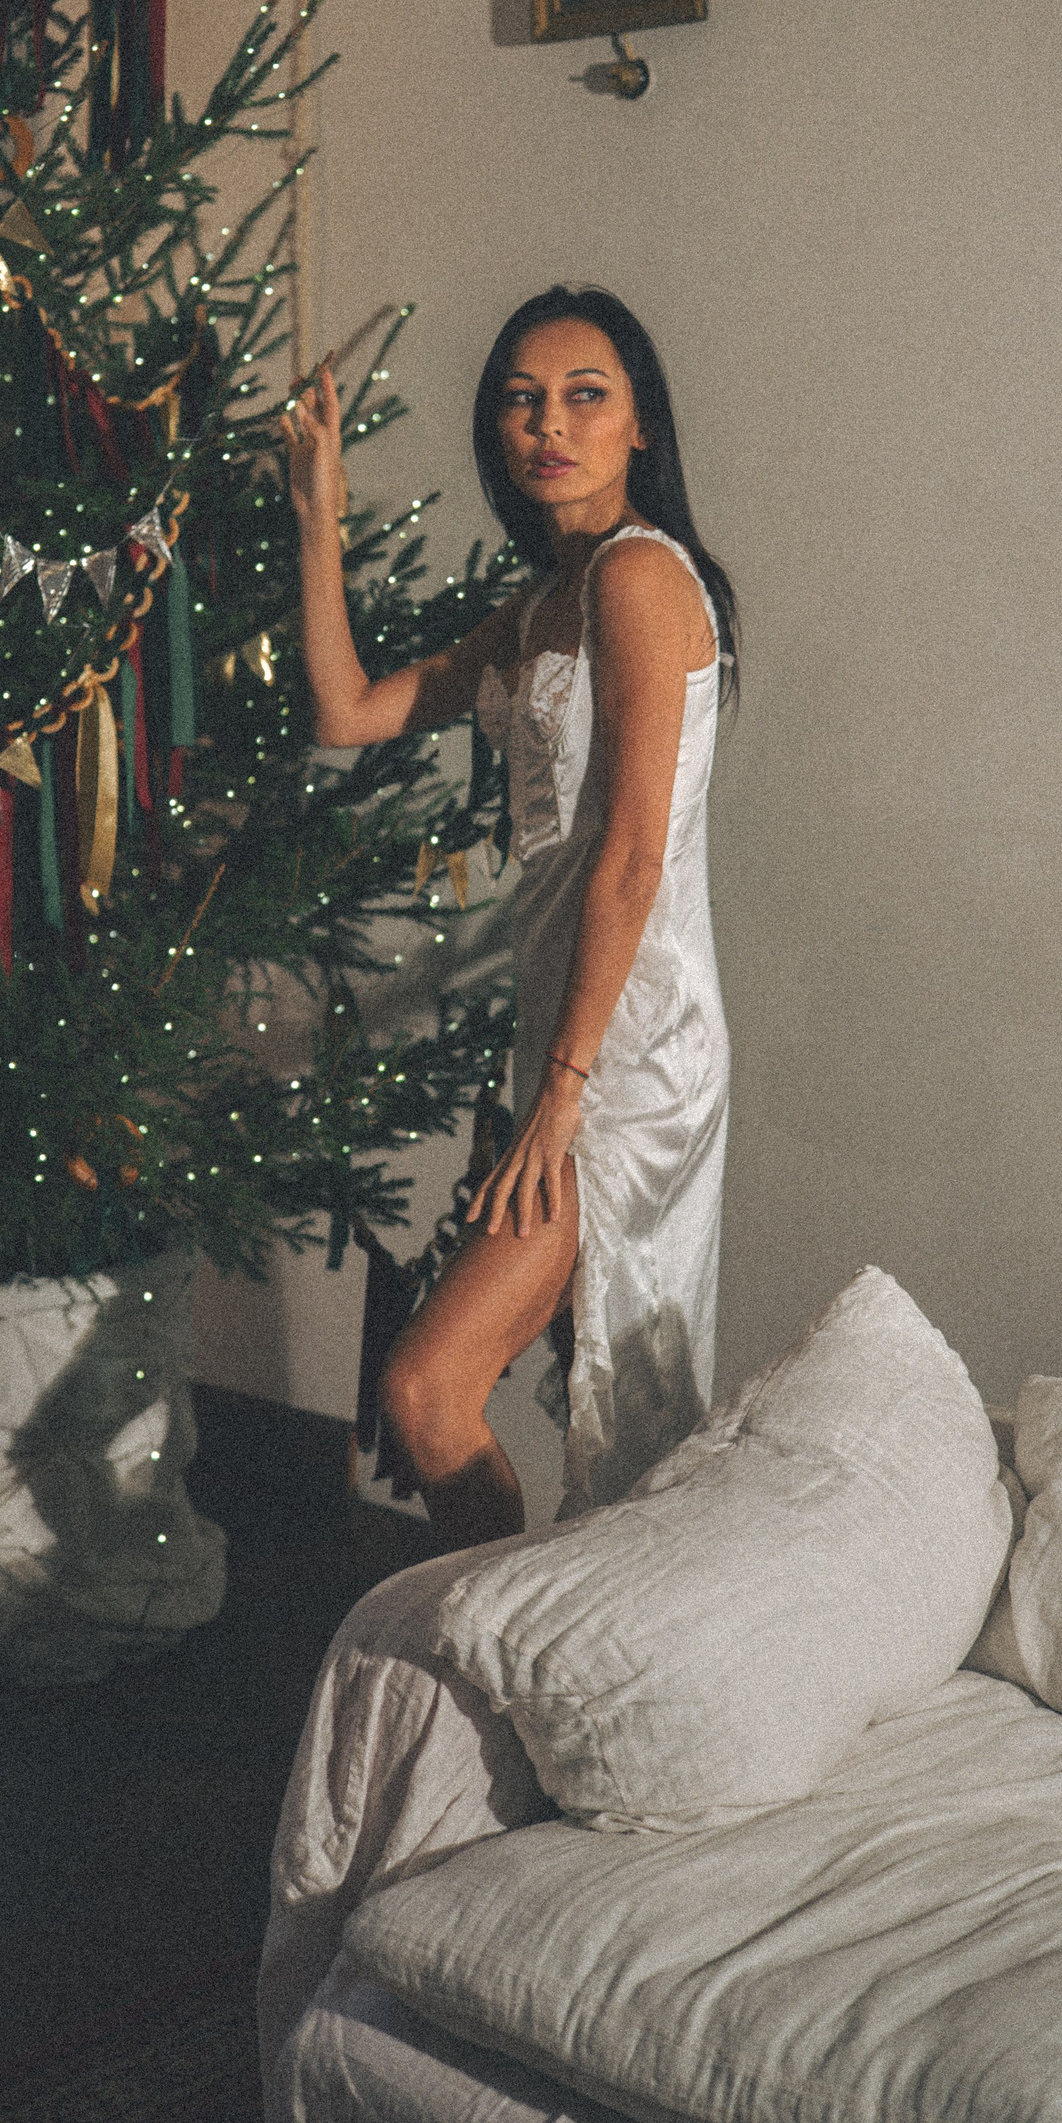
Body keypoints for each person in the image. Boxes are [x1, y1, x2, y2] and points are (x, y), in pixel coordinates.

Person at [283, 284, 736, 1549]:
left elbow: (633, 858)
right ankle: (519, 1632)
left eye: (586, 396)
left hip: (633, 1056)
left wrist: (565, 1090)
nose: (551, 424)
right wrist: (316, 510)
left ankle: (499, 1637)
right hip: (570, 1044)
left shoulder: (637, 576)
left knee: (427, 1390)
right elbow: (348, 711)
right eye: (524, 400)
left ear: (640, 423)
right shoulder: (545, 600)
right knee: (495, 1399)